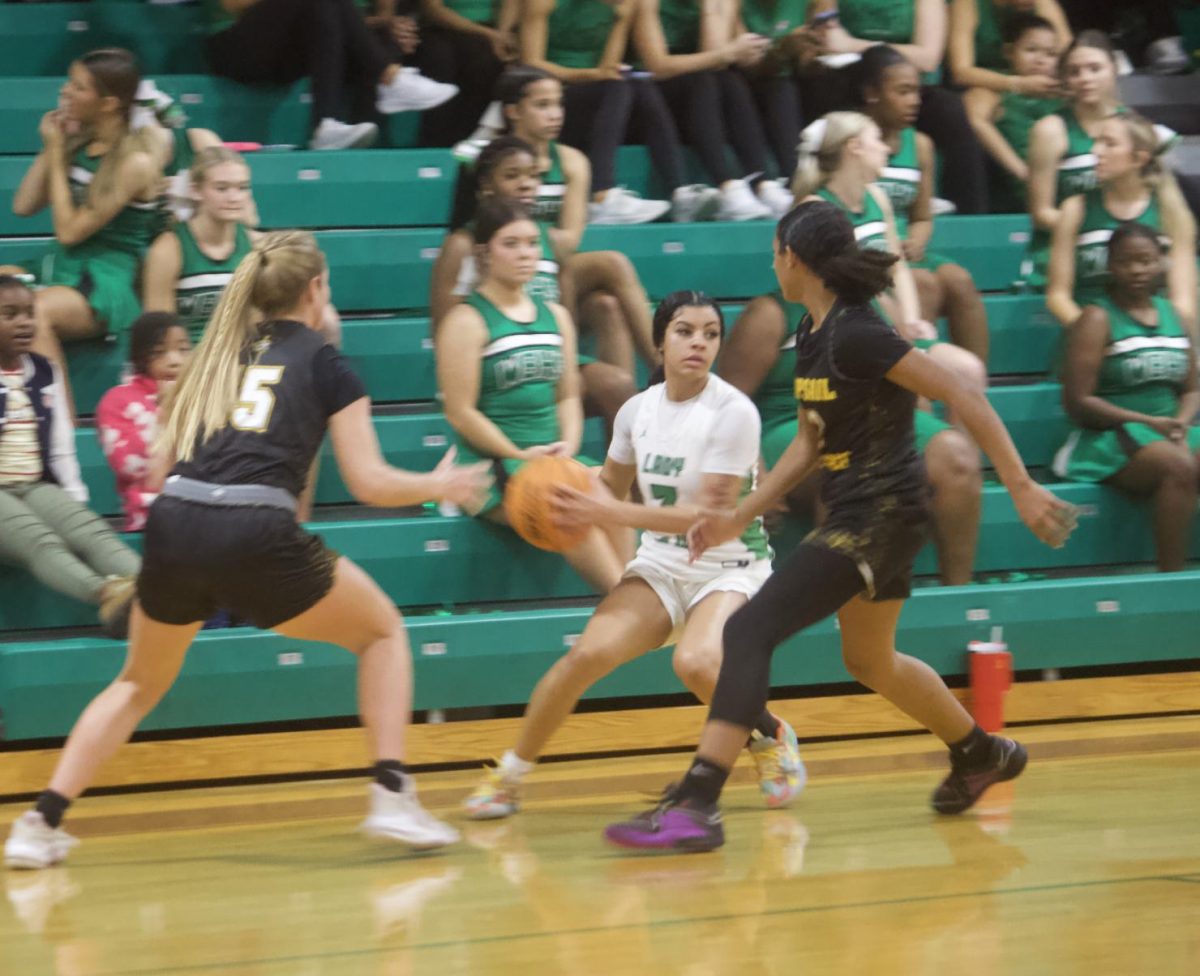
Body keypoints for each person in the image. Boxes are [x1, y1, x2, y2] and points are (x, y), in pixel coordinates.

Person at [3, 232, 493, 870]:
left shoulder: (212, 352)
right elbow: (370, 482)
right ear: (317, 289)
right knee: (382, 634)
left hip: (175, 522)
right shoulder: (327, 362)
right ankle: (391, 794)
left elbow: (156, 472)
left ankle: (38, 824)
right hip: (251, 528)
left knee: (137, 682)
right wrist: (439, 483)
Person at [602, 201, 1077, 852]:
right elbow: (809, 441)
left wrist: (1019, 484)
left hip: (882, 512)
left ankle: (699, 803)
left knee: (747, 631)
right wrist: (738, 514)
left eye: (775, 252)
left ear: (792, 259)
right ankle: (979, 751)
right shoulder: (812, 332)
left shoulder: (859, 332)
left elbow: (961, 394)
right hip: (866, 512)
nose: (773, 262)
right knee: (869, 658)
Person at [461, 291, 805, 821]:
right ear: (659, 342)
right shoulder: (636, 411)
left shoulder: (733, 412)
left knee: (694, 662)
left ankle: (769, 733)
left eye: (710, 333)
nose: (698, 343)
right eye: (685, 331)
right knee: (583, 659)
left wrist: (606, 512)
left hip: (732, 566)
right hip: (663, 565)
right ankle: (509, 776)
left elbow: (705, 520)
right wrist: (564, 487)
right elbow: (610, 489)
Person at [720, 291, 983, 586]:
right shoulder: (770, 313)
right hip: (787, 423)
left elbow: (910, 389)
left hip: (869, 416)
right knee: (847, 458)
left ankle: (960, 598)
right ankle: (836, 604)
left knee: (956, 457)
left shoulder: (880, 306)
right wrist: (754, 472)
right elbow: (729, 405)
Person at [436, 198, 629, 591]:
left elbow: (567, 396)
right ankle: (627, 605)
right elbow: (460, 413)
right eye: (511, 244)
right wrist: (518, 454)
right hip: (493, 464)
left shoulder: (555, 315)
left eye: (531, 243)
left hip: (551, 458)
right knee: (569, 510)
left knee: (612, 497)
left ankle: (636, 600)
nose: (525, 254)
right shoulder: (466, 320)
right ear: (484, 253)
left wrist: (567, 448)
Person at [432, 137, 636, 430]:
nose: (527, 184)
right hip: (496, 363)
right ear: (486, 185)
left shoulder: (548, 237)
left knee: (620, 388)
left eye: (533, 176)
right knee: (614, 386)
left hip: (548, 356)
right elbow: (445, 329)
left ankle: (611, 475)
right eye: (512, 175)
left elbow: (563, 314)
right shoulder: (463, 244)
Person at [791, 112, 989, 398]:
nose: (886, 148)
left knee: (969, 371)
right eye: (877, 141)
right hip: (845, 337)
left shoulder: (877, 197)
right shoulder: (815, 207)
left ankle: (959, 443)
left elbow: (897, 268)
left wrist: (911, 321)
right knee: (913, 389)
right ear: (854, 147)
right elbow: (820, 293)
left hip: (889, 329)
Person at [10, 50, 162, 403]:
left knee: (31, 311)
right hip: (64, 265)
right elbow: (23, 205)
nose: (65, 92)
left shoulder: (134, 161)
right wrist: (54, 148)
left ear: (108, 103)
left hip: (105, 280)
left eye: (78, 87)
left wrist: (57, 148)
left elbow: (69, 231)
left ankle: (59, 428)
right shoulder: (81, 141)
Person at [0, 275, 140, 639]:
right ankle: (108, 595)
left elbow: (61, 447)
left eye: (29, 313)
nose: (24, 323)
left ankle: (150, 589)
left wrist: (72, 501)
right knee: (41, 541)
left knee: (90, 531)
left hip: (32, 484)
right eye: (9, 314)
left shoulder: (46, 372)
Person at [1054, 224, 1199, 572]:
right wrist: (1148, 422)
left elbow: (1193, 387)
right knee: (1178, 466)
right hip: (1111, 436)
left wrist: (1182, 419)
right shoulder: (1096, 317)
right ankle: (1172, 580)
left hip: (1171, 427)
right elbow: (1079, 402)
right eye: (1126, 262)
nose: (1136, 270)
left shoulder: (1175, 315)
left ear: (1161, 263)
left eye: (1146, 261)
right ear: (1110, 266)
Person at [490, 68, 658, 367]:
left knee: (608, 306)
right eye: (542, 105)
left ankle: (627, 407)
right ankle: (666, 371)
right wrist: (537, 238)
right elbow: (492, 229)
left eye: (558, 104)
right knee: (612, 266)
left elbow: (570, 240)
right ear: (513, 111)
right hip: (510, 271)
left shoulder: (572, 161)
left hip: (559, 269)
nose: (555, 114)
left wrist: (531, 234)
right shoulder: (495, 160)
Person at [522, 0, 720, 223]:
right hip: (554, 97)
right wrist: (590, 75)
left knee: (638, 84)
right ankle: (601, 195)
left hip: (595, 95)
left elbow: (608, 68)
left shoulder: (623, 5)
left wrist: (620, 20)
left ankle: (681, 193)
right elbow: (531, 64)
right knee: (620, 84)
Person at [798, 0, 991, 214]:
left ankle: (969, 212)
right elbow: (826, 37)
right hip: (849, 78)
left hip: (902, 78)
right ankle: (818, 197)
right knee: (821, 89)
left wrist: (852, 44)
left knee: (949, 108)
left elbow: (927, 59)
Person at [861, 45, 991, 364]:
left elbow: (921, 217)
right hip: (866, 251)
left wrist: (916, 241)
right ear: (872, 93)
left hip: (905, 251)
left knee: (960, 280)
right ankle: (919, 391)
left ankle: (973, 393)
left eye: (917, 92)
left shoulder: (920, 145)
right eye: (903, 92)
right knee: (925, 284)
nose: (914, 101)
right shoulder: (850, 139)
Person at [142, 147, 344, 348]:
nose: (234, 197)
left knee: (327, 318)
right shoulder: (169, 249)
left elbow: (314, 266)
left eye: (242, 188)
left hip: (245, 358)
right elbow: (159, 338)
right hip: (189, 365)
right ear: (196, 190)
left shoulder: (259, 245)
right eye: (222, 188)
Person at [201, 0, 459, 151]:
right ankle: (390, 78)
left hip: (292, 52)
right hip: (238, 48)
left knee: (385, 35)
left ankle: (354, 146)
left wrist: (379, 24)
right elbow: (234, 5)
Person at [630, 0, 794, 220]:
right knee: (706, 81)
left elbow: (717, 59)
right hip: (648, 94)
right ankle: (726, 185)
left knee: (729, 80)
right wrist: (727, 53)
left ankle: (763, 184)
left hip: (697, 89)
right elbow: (657, 66)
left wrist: (710, 8)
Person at [1046, 112, 1196, 332]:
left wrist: (1158, 338)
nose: (1095, 151)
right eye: (1097, 141)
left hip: (1155, 339)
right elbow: (1057, 296)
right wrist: (1097, 335)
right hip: (1089, 336)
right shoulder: (1075, 208)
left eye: (1110, 144)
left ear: (1139, 159)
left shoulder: (1172, 214)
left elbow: (1183, 302)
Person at [95, 312, 192, 532]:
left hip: (208, 506)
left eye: (183, 350)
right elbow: (134, 468)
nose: (175, 361)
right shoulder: (117, 401)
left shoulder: (205, 397)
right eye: (159, 353)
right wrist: (166, 416)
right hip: (152, 515)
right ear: (140, 358)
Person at [961, 12, 1067, 212]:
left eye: (1051, 54)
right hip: (1018, 190)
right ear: (1009, 52)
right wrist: (1023, 173)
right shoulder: (994, 90)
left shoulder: (1063, 94)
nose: (1041, 60)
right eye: (1031, 50)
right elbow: (976, 120)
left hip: (1066, 188)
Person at [410, 0, 519, 146]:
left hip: (489, 31)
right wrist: (490, 34)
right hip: (440, 29)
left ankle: (470, 142)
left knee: (490, 61)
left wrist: (503, 35)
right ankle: (433, 146)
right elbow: (432, 10)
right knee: (440, 61)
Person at [731, 0, 808, 181]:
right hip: (747, 83)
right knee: (780, 89)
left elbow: (806, 66)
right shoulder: (735, 6)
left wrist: (810, 55)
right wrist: (782, 52)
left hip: (790, 80)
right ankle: (793, 179)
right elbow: (749, 66)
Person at [948, 0, 1071, 93]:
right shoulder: (968, 4)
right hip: (980, 87)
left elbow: (1071, 58)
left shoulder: (1043, 5)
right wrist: (1018, 84)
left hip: (1036, 87)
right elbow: (961, 72)